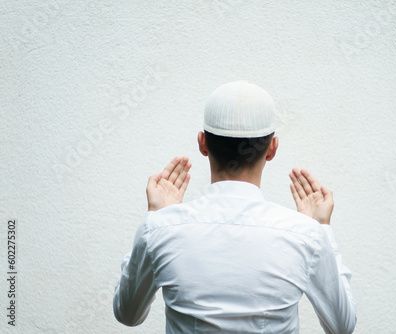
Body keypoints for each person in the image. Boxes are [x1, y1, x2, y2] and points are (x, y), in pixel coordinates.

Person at [113, 81, 357, 333]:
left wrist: (156, 216)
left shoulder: (160, 228)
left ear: (202, 143)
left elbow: (127, 314)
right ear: (272, 148)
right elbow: (342, 326)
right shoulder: (306, 235)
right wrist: (322, 229)